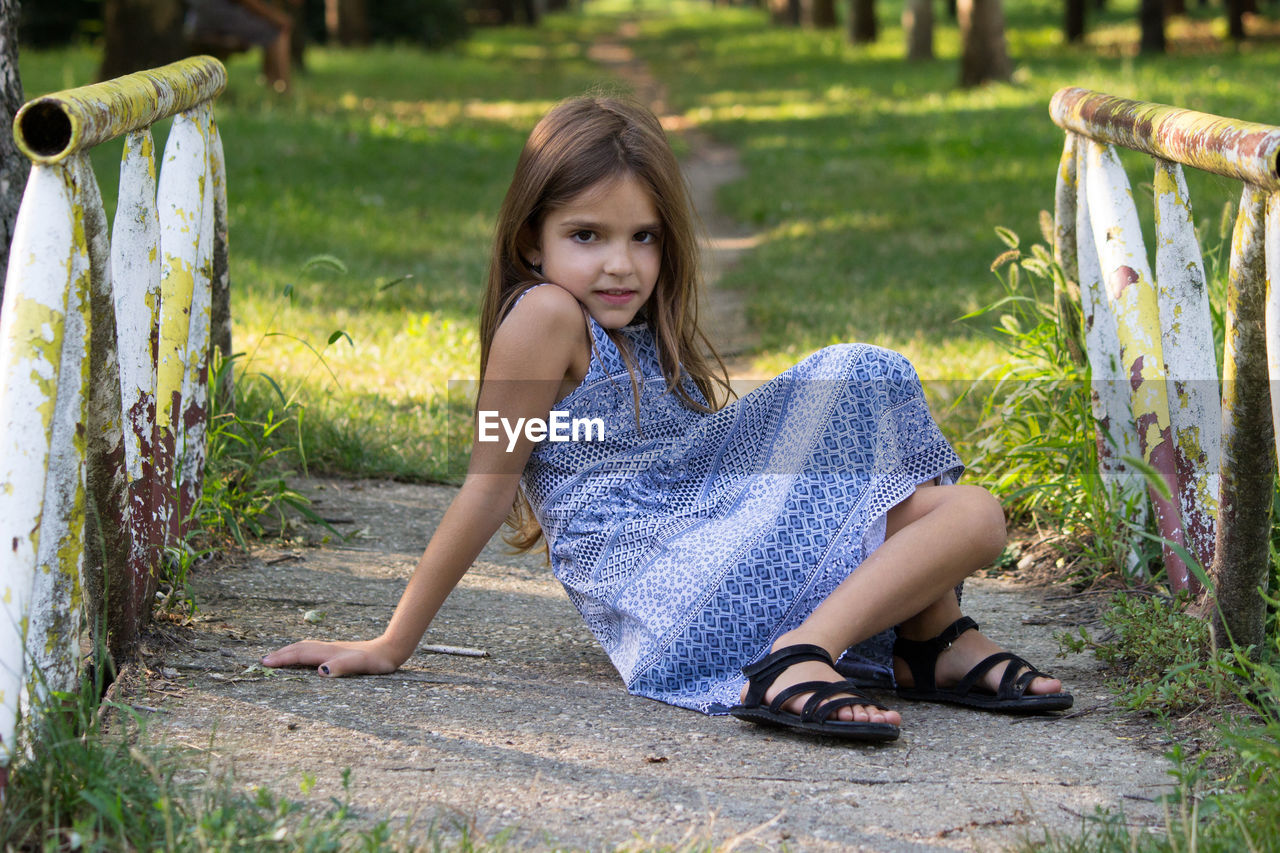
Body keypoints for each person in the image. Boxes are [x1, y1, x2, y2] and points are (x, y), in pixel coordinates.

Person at [262, 95, 1072, 742]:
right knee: (859, 369)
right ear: (532, 242)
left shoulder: (643, 334)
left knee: (973, 512)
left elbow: (675, 460)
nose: (620, 263)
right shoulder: (547, 316)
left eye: (643, 238)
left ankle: (925, 642)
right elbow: (487, 485)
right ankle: (800, 659)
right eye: (587, 235)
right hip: (672, 591)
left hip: (713, 541)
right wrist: (391, 642)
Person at [185, 0, 300, 92]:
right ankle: (283, 89)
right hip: (213, 15)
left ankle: (272, 83)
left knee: (274, 26)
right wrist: (274, 17)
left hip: (197, 18)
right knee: (277, 29)